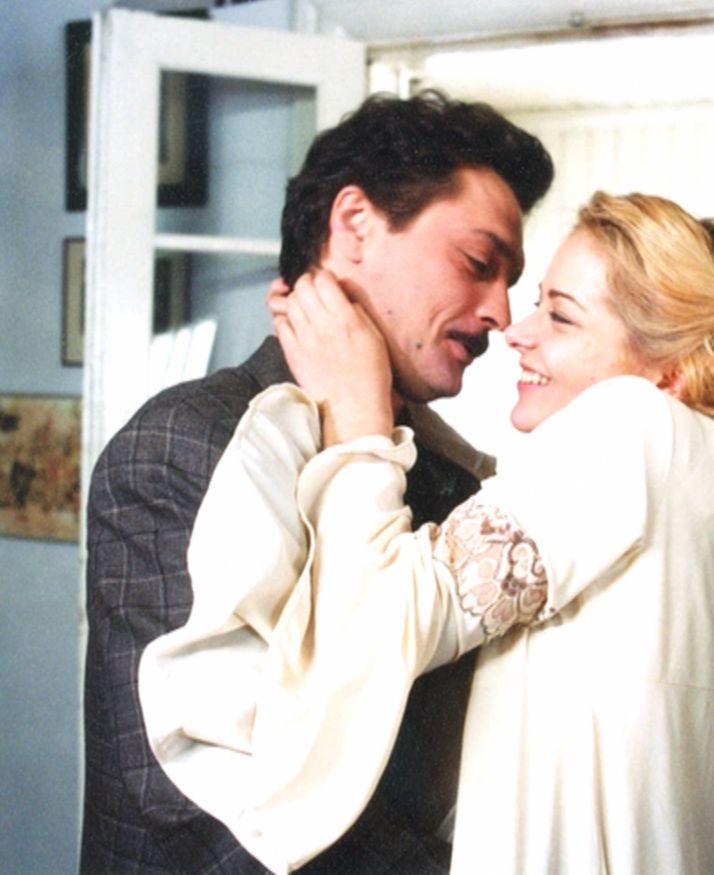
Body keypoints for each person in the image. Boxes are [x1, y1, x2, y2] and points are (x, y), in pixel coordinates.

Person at [138, 192, 714, 873]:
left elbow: (385, 621)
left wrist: (359, 414)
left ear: (670, 373)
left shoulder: (635, 423)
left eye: (561, 315)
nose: (517, 331)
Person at [79, 89, 554, 874]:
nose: (501, 312)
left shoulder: (450, 481)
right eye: (478, 264)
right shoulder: (181, 445)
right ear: (355, 225)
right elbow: (204, 814)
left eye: (510, 280)